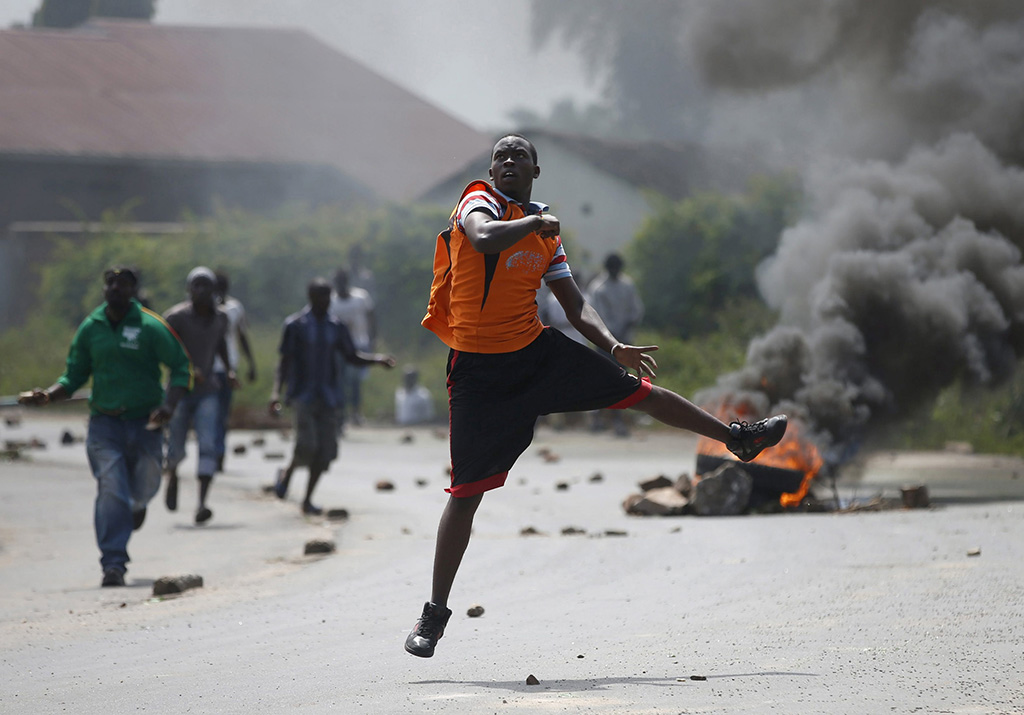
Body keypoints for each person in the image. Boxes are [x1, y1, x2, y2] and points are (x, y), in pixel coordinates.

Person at [405, 134, 788, 658]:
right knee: (466, 495)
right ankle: (434, 615)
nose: (509, 160)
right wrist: (535, 223)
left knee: (640, 392)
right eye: (501, 155)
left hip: (536, 353)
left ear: (536, 171)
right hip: (478, 373)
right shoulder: (480, 203)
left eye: (520, 155)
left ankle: (736, 438)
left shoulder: (546, 234)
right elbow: (484, 237)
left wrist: (613, 346)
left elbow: (575, 304)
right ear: (491, 170)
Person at [18, 266, 191, 587]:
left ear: (134, 290)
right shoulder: (91, 328)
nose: (114, 288)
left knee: (146, 483)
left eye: (122, 284)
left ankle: (135, 507)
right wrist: (48, 395)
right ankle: (113, 563)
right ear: (103, 289)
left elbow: (181, 368)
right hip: (104, 424)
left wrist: (169, 406)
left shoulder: (151, 326)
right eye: (110, 283)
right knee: (111, 487)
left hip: (145, 424)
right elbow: (74, 375)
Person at [268, 278, 395, 515]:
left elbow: (351, 356)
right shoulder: (295, 325)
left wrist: (376, 360)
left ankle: (307, 499)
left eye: (328, 297)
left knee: (325, 451)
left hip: (329, 396)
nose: (325, 302)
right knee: (307, 445)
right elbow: (284, 363)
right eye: (321, 297)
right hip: (303, 395)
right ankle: (288, 473)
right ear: (311, 298)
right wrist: (276, 393)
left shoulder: (335, 327)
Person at [163, 266, 236, 525]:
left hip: (208, 391)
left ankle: (202, 503)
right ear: (188, 289)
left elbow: (220, 344)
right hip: (179, 392)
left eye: (207, 286)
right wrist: (187, 369)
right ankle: (171, 473)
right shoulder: (176, 318)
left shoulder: (221, 319)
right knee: (176, 444)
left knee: (208, 444)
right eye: (197, 285)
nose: (202, 291)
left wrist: (229, 370)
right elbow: (164, 350)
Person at [587, 253, 645, 436]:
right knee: (602, 377)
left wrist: (626, 327)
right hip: (606, 341)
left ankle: (617, 421)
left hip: (625, 339)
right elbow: (596, 315)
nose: (614, 271)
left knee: (623, 379)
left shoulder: (627, 285)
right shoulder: (598, 288)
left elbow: (636, 310)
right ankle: (596, 417)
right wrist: (613, 335)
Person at [212, 270, 257, 472]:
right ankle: (210, 451)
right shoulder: (201, 307)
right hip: (205, 368)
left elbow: (242, 336)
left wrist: (252, 364)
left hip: (228, 368)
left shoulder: (235, 308)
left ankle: (218, 452)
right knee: (206, 413)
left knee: (222, 413)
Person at [328, 267, 376, 429]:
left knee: (355, 381)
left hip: (359, 344)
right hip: (339, 348)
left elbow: (371, 318)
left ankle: (355, 412)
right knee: (339, 381)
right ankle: (340, 414)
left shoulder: (360, 297)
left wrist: (372, 339)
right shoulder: (331, 301)